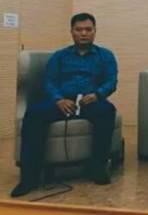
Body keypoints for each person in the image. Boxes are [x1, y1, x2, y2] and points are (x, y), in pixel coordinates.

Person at [11, 13, 118, 197]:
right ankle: (30, 177)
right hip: (63, 101)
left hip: (90, 101)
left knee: (107, 111)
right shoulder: (59, 56)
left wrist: (97, 95)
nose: (83, 33)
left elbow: (111, 81)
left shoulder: (106, 56)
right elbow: (49, 81)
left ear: (94, 31)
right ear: (71, 32)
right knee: (34, 113)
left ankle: (97, 167)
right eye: (79, 29)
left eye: (88, 29)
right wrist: (58, 99)